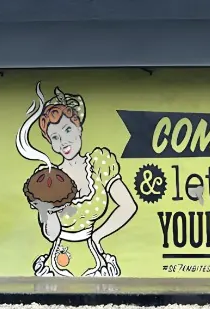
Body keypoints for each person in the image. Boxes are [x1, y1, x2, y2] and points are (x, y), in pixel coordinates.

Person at [16, 82, 138, 277]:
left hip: (94, 253)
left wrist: (97, 236)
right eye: (54, 137)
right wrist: (45, 209)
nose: (63, 141)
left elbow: (128, 206)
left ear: (79, 127)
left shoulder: (100, 163)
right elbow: (51, 234)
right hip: (59, 258)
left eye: (67, 130)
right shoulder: (49, 179)